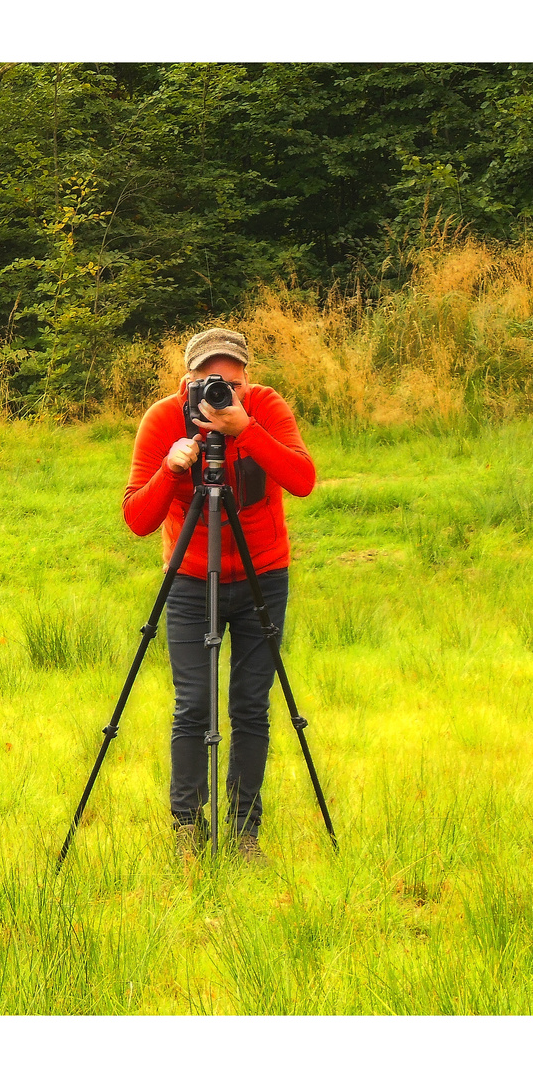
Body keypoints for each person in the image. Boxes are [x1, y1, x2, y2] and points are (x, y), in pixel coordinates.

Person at [122, 327, 316, 865]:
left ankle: (244, 831)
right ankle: (188, 829)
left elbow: (302, 480)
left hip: (261, 574)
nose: (219, 392)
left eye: (231, 382)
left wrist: (245, 430)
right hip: (189, 578)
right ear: (186, 382)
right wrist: (170, 466)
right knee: (194, 705)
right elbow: (137, 518)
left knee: (251, 706)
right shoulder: (164, 420)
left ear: (248, 381)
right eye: (209, 381)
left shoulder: (265, 410)